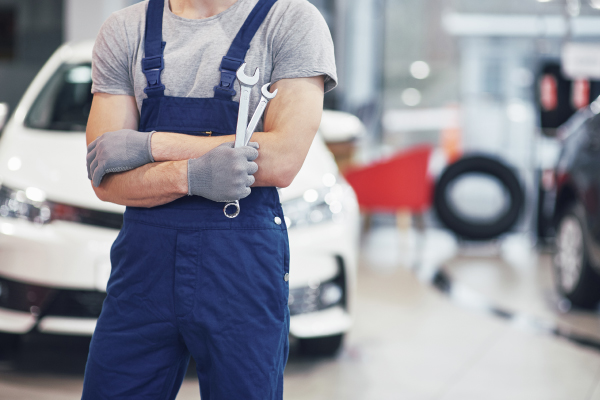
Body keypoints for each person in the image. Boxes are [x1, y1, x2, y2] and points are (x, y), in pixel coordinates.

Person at [81, 0, 336, 398]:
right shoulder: (124, 29)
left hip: (240, 271)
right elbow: (106, 177)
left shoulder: (291, 20)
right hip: (143, 273)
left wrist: (150, 145)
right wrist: (192, 176)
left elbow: (282, 159)